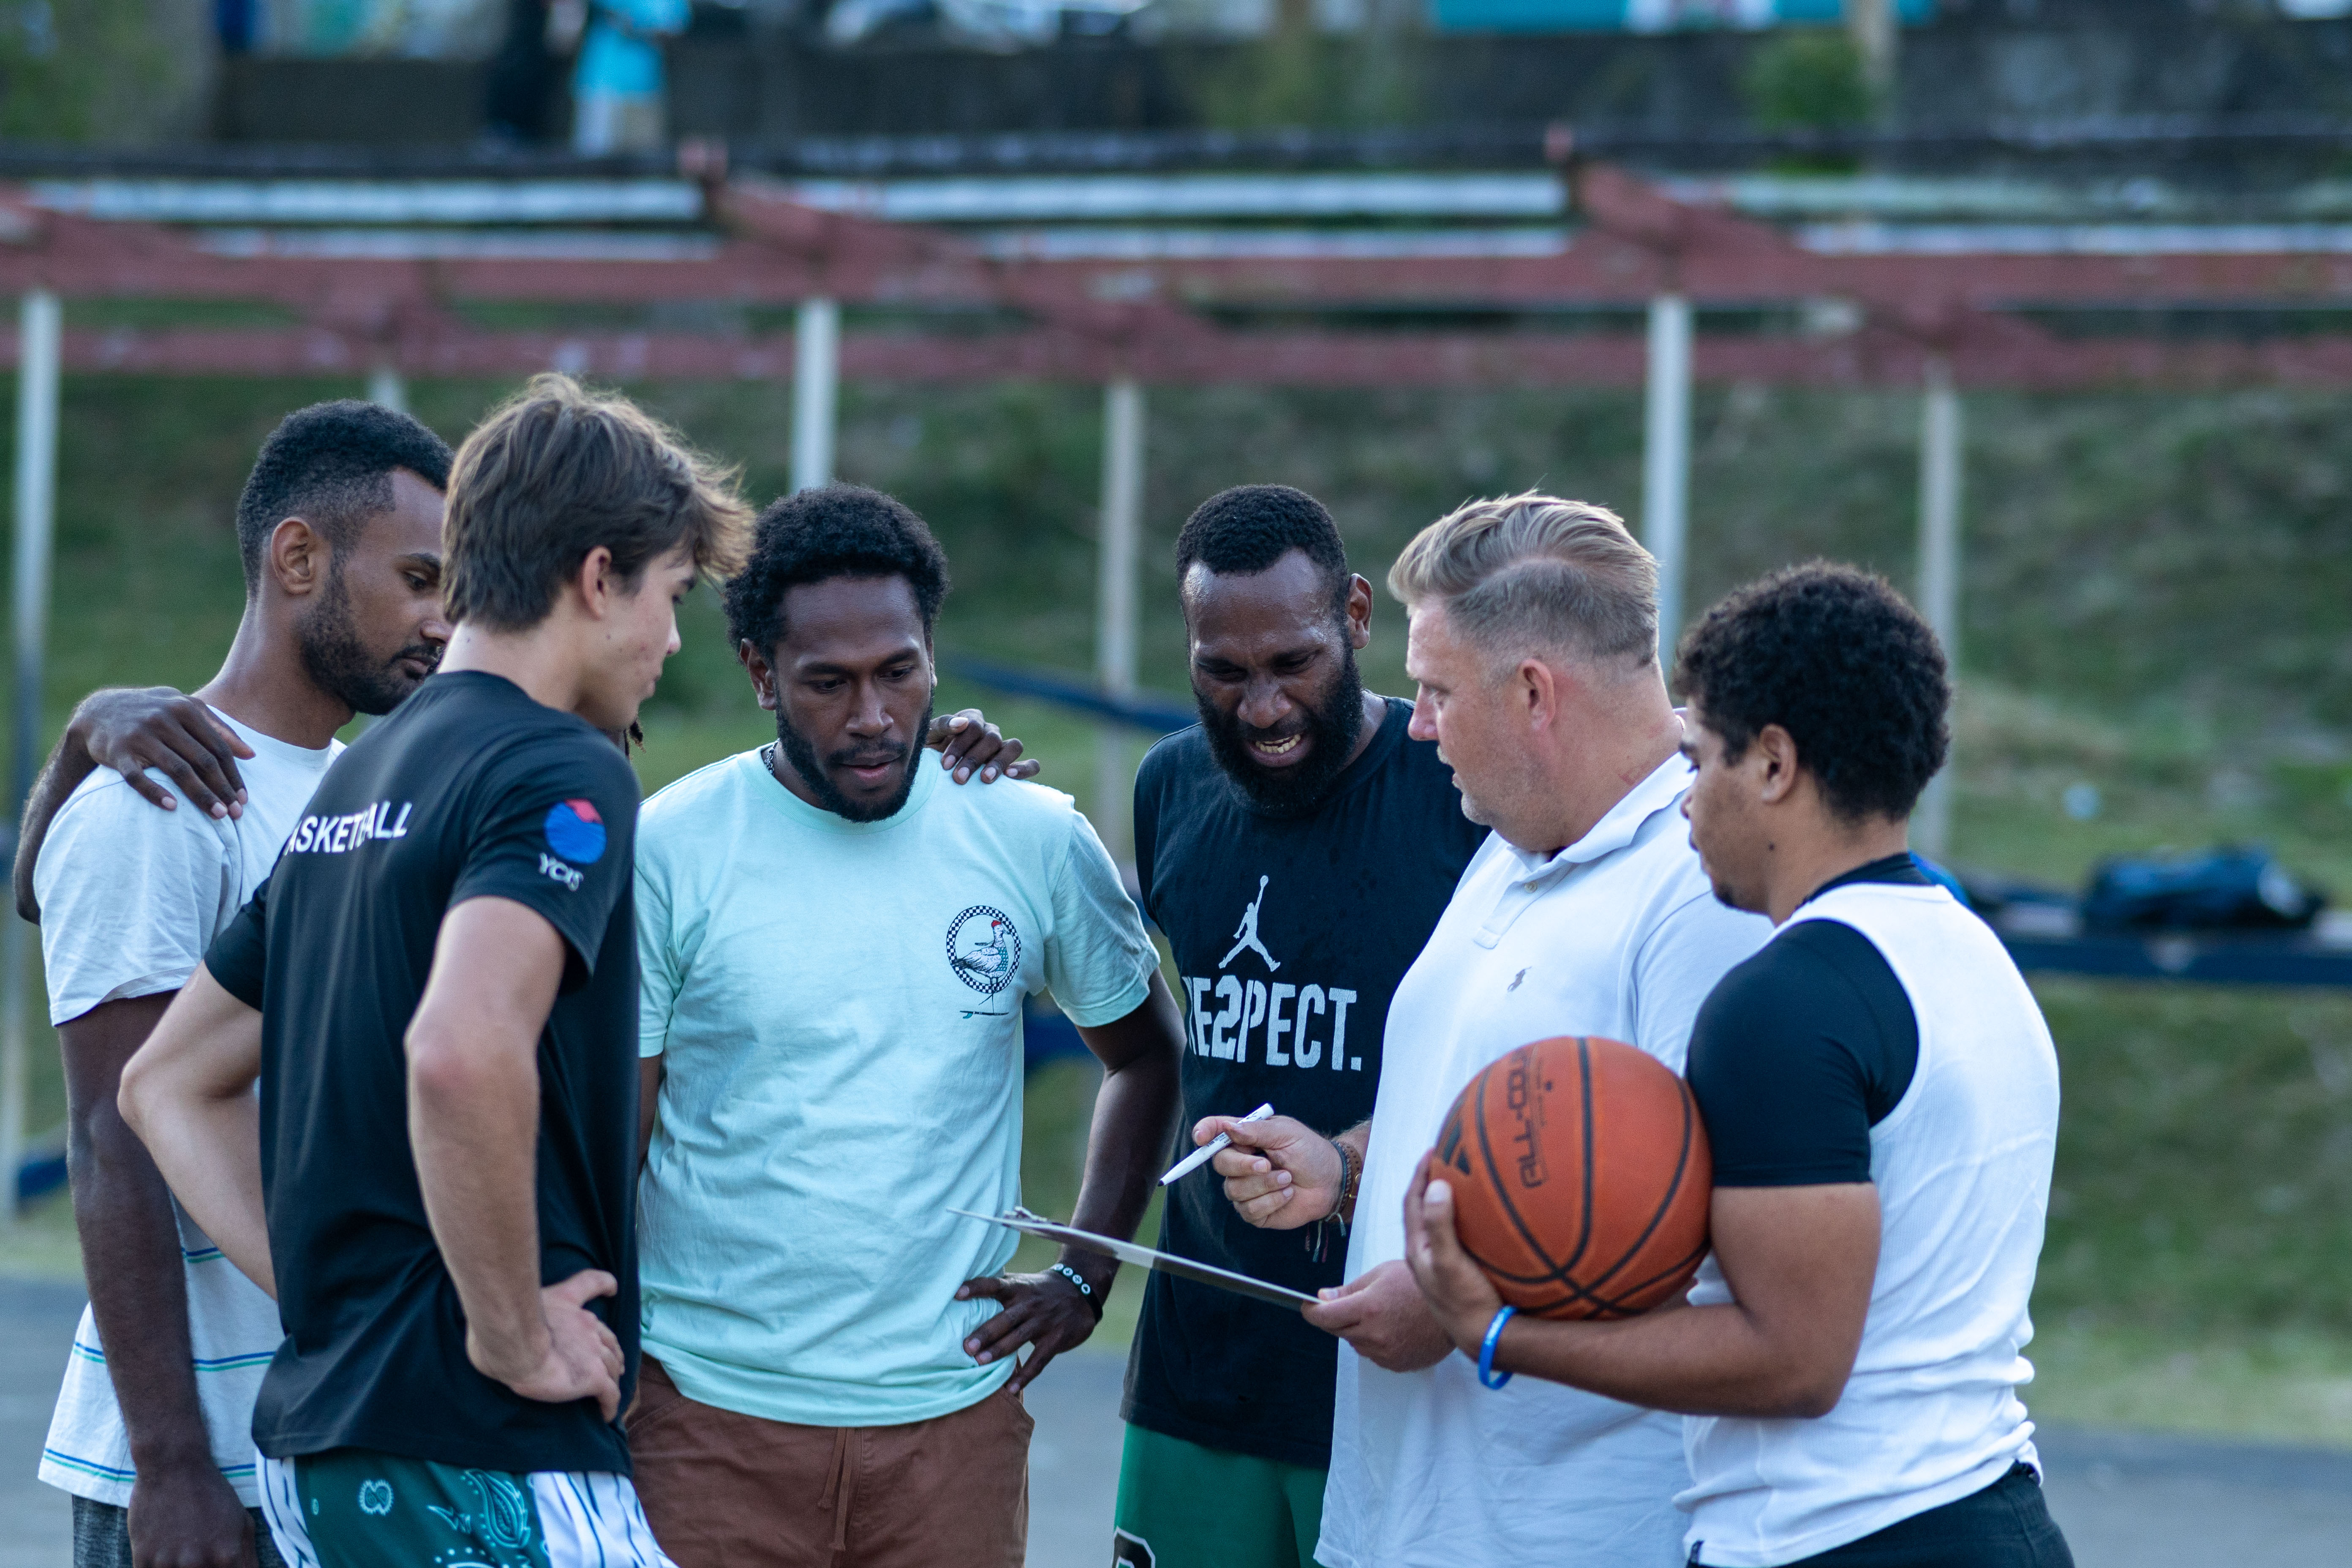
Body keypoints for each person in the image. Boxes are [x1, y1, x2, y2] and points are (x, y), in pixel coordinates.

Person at [118, 375, 751, 1565]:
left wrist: (341, 1298)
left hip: (329, 1445)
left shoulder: (350, 786)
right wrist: (507, 1332)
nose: (672, 640)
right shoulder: (558, 766)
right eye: (671, 596)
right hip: (479, 1447)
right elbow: (461, 1052)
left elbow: (167, 1083)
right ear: (599, 575)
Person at [1402, 563, 2073, 1568]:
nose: (1682, 800)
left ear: (1771, 766)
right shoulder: (1972, 955)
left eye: (1700, 755)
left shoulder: (1780, 1003)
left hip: (1839, 1537)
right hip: (1991, 1510)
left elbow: (1794, 1359)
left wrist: (1497, 1333)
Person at [625, 483, 1186, 1567]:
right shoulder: (674, 847)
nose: (872, 716)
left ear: (932, 651)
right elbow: (617, 1139)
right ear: (758, 674)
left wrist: (1085, 1269)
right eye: (827, 684)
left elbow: (1146, 1055)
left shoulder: (1027, 836)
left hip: (951, 1429)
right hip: (707, 1419)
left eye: (899, 672)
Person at [1206, 493, 1770, 1568]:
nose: (1415, 725)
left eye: (1433, 692)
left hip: (1570, 1533)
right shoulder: (1510, 838)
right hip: (1400, 1518)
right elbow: (1504, 1122)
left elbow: (1720, 1237)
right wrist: (1346, 1163)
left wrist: (1464, 1310)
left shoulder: (1700, 893)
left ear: (1532, 695)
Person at [32, 400, 453, 1568]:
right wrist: (172, 1468)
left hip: (337, 1439)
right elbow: (116, 1139)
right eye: (418, 578)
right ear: (300, 558)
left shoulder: (362, 789)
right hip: (205, 1471)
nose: (442, 620)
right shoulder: (162, 797)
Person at [1111, 485, 1486, 1568]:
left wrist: (1353, 1160)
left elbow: (1527, 1068)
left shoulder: (1455, 787)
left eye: (1294, 664)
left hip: (1391, 1367)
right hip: (1196, 1369)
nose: (1262, 707)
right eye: (1223, 673)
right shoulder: (1170, 786)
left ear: (1357, 618)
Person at [570, 0, 689, 155]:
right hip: (602, 87)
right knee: (595, 167)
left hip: (647, 89)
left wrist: (638, 23)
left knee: (646, 166)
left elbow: (675, 23)